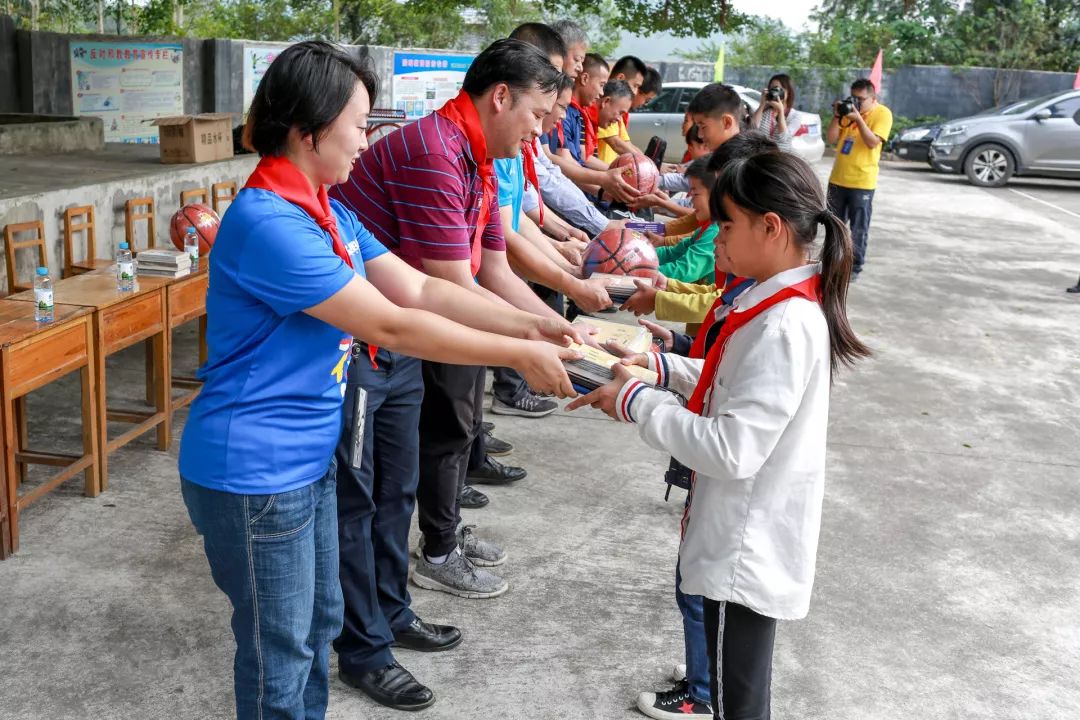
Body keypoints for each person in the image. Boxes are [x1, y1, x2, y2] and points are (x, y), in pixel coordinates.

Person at [179, 41, 580, 719]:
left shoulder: (328, 210)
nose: (368, 142)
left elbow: (421, 287)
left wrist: (529, 326)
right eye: (360, 126)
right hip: (254, 470)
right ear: (310, 129)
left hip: (306, 460)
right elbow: (392, 325)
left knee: (314, 629)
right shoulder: (272, 223)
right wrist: (514, 357)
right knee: (279, 652)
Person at [569, 151, 870, 720]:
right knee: (739, 694)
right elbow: (724, 382)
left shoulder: (783, 324)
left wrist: (635, 401)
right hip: (739, 535)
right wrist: (654, 367)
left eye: (727, 224)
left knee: (737, 704)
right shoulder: (776, 304)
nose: (719, 237)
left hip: (744, 550)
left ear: (771, 227)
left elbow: (733, 450)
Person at [332, 40, 571, 616]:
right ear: (501, 96)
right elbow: (436, 291)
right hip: (365, 340)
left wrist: (553, 329)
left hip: (403, 326)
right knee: (366, 491)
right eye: (538, 114)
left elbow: (477, 272)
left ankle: (390, 613)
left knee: (403, 479)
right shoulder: (433, 152)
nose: (540, 131)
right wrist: (524, 345)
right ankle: (371, 619)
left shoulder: (479, 159)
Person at [826, 78, 893, 277]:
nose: (855, 102)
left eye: (860, 99)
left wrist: (859, 119)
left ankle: (854, 267)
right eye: (852, 97)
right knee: (833, 226)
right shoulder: (848, 112)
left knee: (858, 229)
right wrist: (837, 116)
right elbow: (831, 139)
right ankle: (830, 264)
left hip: (862, 182)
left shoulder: (883, 113)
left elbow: (873, 142)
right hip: (838, 178)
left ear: (873, 98)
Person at [558, 53, 609, 167]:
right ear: (585, 78)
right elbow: (567, 162)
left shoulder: (579, 113)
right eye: (601, 85)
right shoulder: (565, 112)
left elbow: (581, 156)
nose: (601, 93)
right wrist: (603, 182)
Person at [749, 73, 801, 153]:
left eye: (779, 89)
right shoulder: (765, 111)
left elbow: (783, 138)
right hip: (761, 156)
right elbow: (752, 128)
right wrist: (762, 104)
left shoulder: (795, 116)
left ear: (789, 92)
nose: (775, 91)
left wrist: (780, 111)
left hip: (781, 159)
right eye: (772, 88)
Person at [592, 79, 636, 166]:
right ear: (606, 101)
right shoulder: (585, 117)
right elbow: (585, 159)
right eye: (620, 112)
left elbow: (628, 144)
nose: (619, 119)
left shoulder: (602, 120)